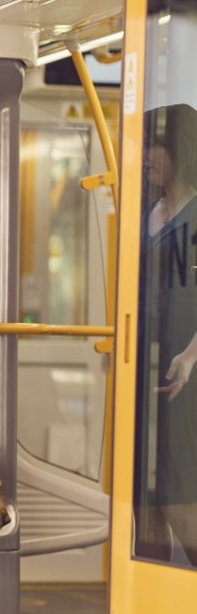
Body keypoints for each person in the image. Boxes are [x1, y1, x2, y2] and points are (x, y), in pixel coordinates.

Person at [136, 103, 197, 566]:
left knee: (179, 483)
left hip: (184, 370)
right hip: (145, 365)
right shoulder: (149, 213)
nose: (146, 154)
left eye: (155, 143)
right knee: (146, 488)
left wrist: (192, 354)